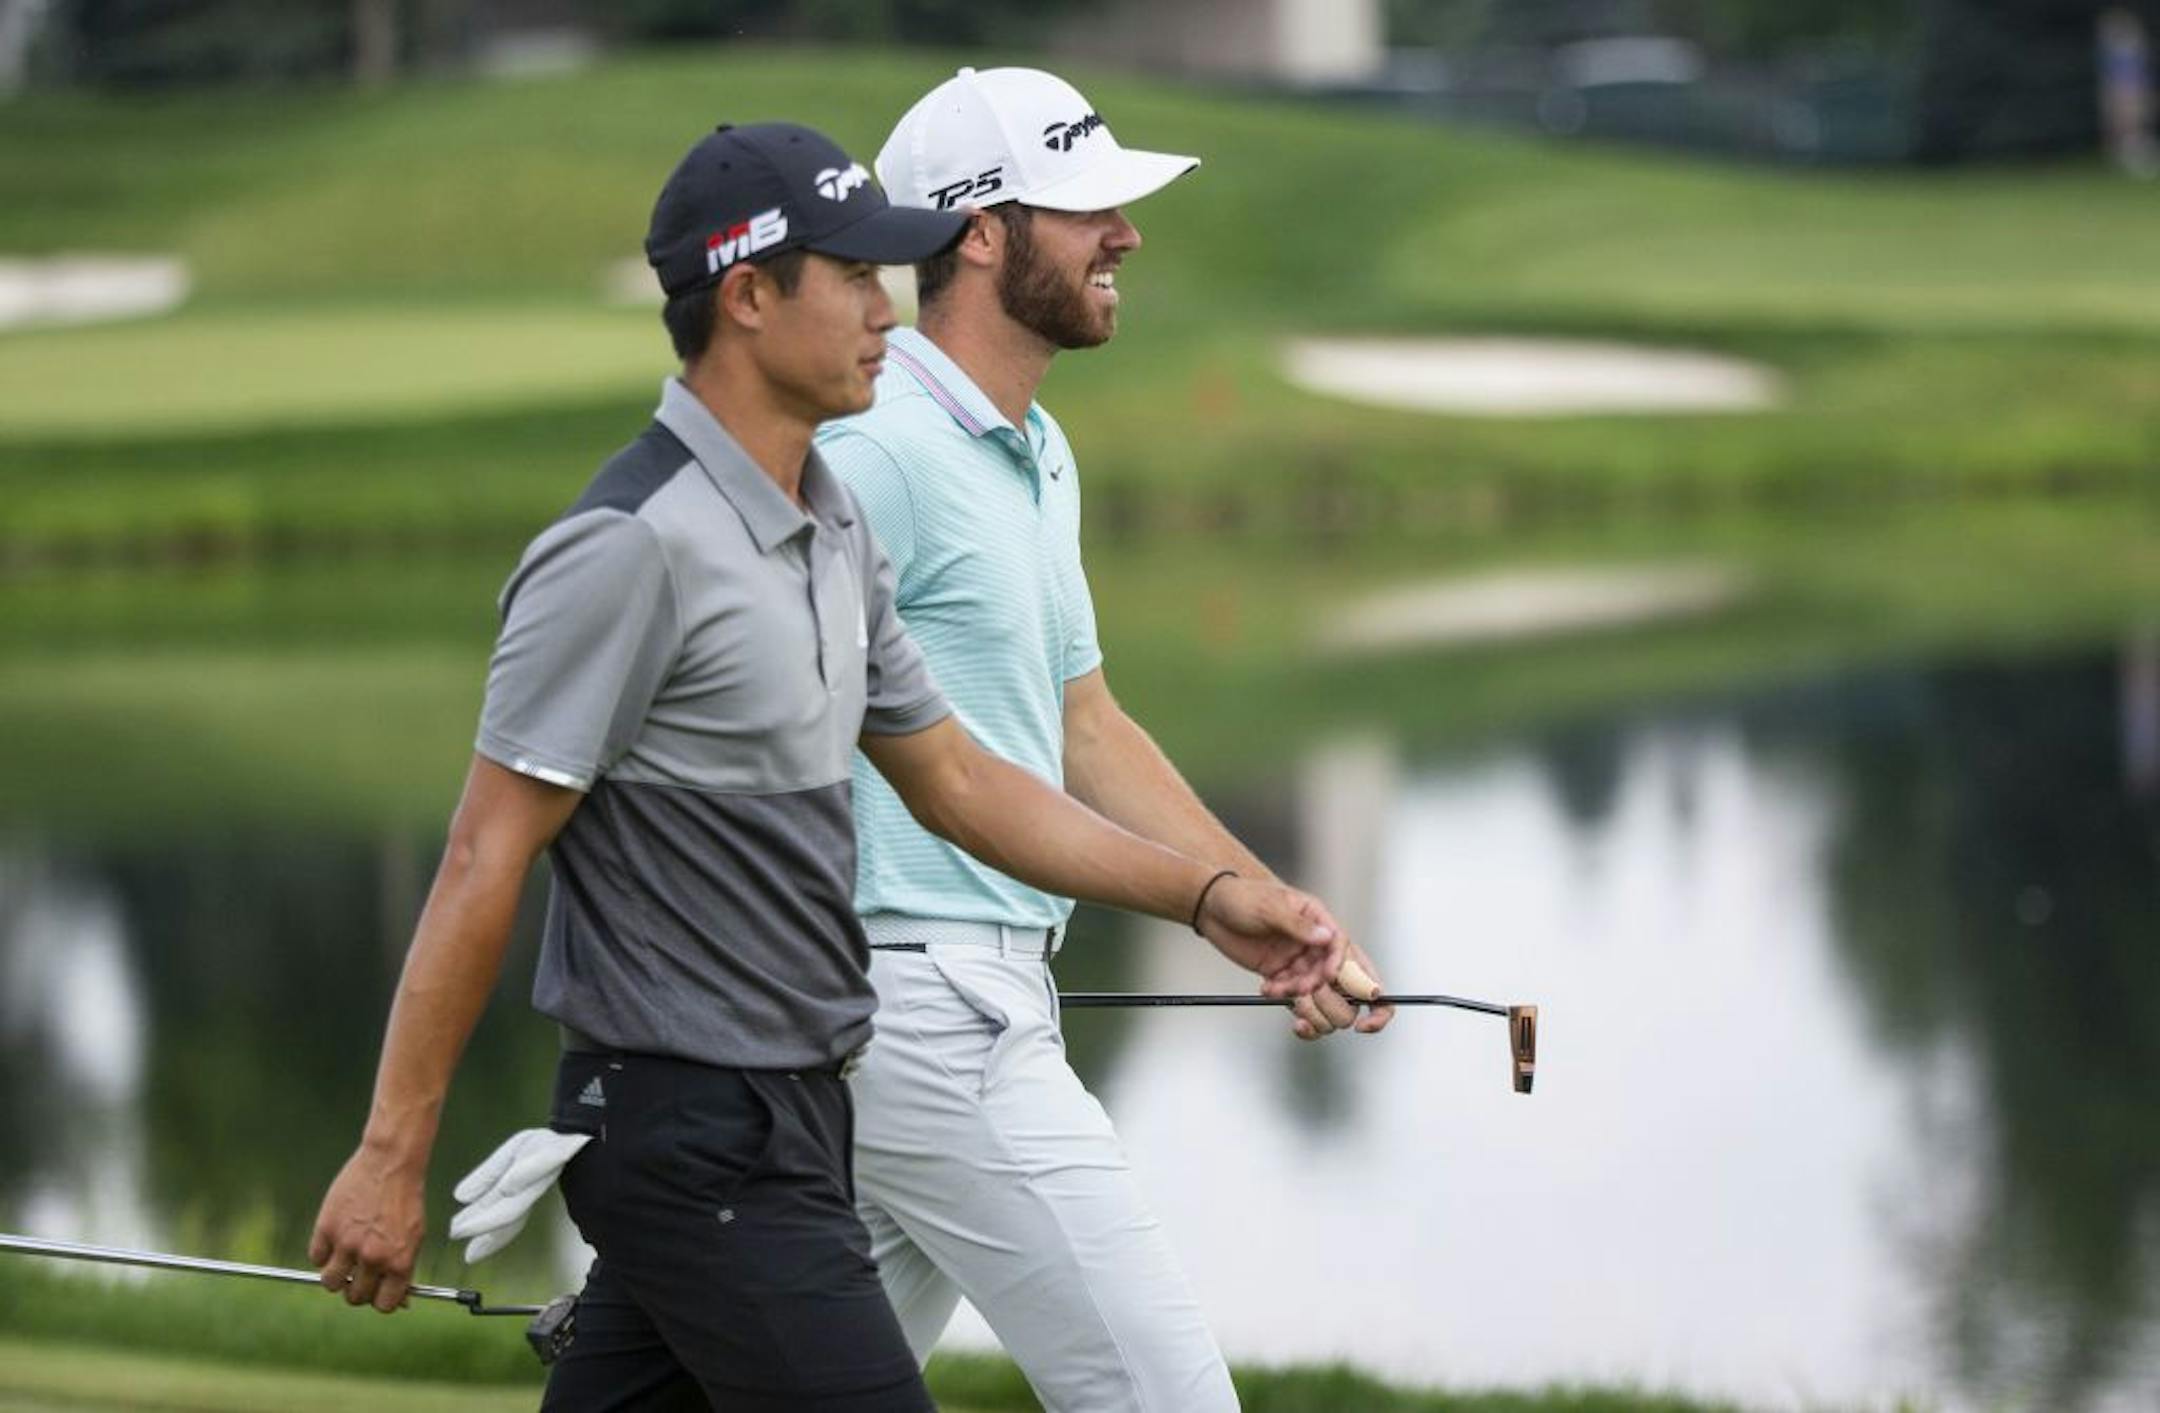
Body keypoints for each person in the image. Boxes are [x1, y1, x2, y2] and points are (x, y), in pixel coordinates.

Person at [307, 120, 1347, 1413]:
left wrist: (1206, 894)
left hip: (800, 1100)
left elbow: (960, 781)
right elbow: (484, 852)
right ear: (747, 297)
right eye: (853, 279)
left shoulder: (826, 527)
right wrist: (390, 1151)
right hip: (683, 1123)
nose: (883, 313)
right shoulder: (626, 548)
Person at [815, 67, 1394, 1412]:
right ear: (978, 232)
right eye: (1086, 209)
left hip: (952, 1000)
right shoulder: (877, 450)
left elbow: (1086, 723)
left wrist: (1269, 903)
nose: (1124, 233)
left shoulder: (1034, 445)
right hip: (920, 1013)